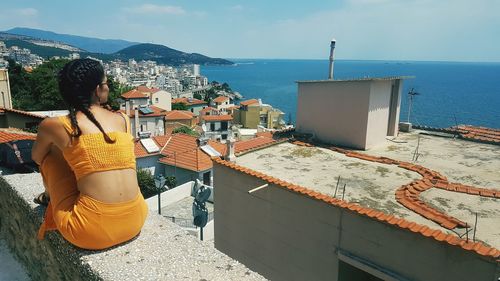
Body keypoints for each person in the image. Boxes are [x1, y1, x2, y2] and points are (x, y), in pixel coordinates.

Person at [32, 58, 148, 250]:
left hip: (89, 232)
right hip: (136, 219)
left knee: (51, 155)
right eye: (106, 83)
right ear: (97, 89)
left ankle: (48, 197)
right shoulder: (123, 119)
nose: (108, 88)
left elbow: (37, 158)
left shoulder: (55, 125)